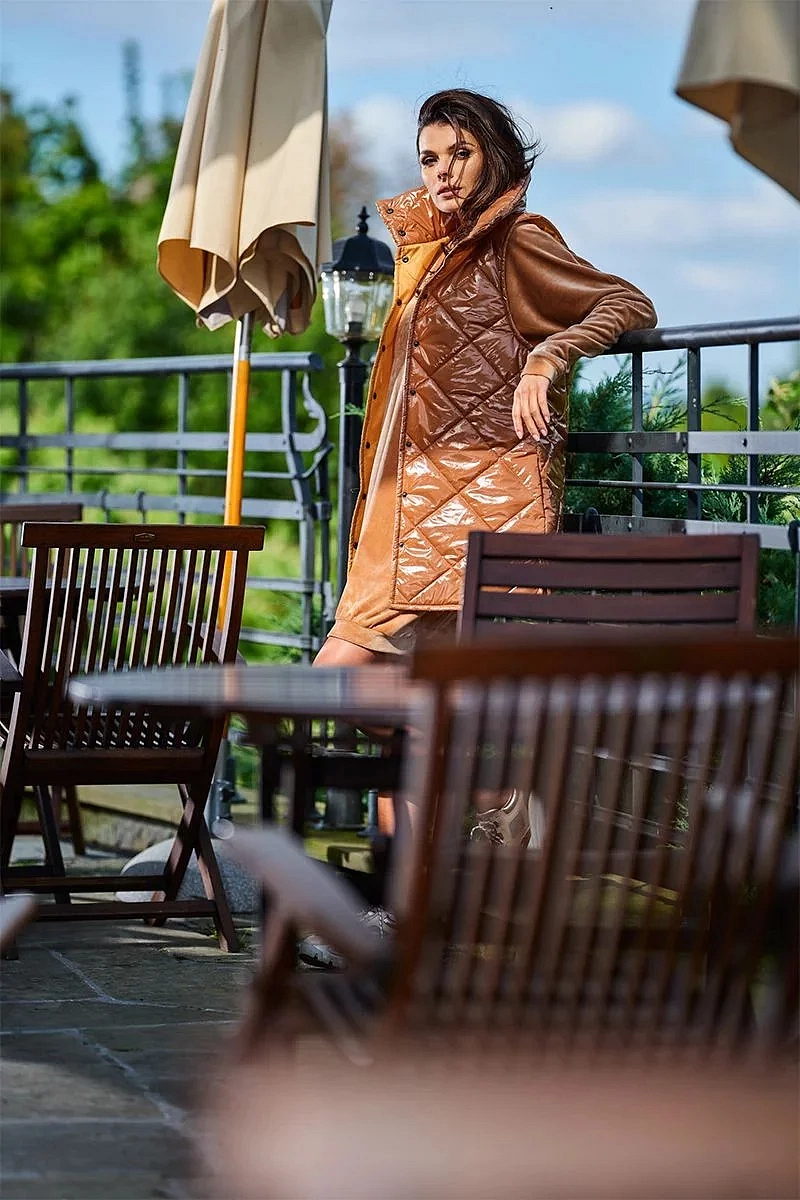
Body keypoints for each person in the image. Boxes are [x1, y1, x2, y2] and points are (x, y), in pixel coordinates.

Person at [301, 89, 657, 963]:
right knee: (369, 701)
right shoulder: (428, 251)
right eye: (429, 158)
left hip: (474, 523)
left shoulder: (519, 241)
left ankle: (411, 901)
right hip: (398, 524)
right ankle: (474, 825)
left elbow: (627, 303)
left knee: (345, 688)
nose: (442, 173)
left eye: (458, 154)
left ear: (494, 156)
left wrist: (548, 355)